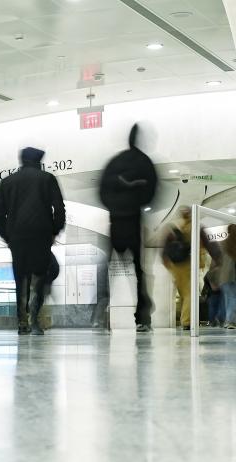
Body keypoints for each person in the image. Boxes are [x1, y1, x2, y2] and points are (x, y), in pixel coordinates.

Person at [0, 147, 66, 335]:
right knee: (40, 277)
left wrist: (7, 236)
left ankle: (22, 321)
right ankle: (35, 319)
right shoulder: (47, 178)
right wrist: (54, 231)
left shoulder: (7, 182)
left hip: (17, 237)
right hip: (41, 235)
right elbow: (59, 208)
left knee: (21, 279)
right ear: (38, 161)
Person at [98, 124, 158, 332]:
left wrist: (116, 204)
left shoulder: (116, 162)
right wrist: (135, 197)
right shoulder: (144, 162)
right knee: (139, 272)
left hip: (116, 221)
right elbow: (151, 191)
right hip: (132, 221)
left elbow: (103, 191)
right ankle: (143, 317)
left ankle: (103, 313)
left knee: (108, 270)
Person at [162, 206, 218, 331]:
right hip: (189, 264)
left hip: (176, 265)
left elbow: (166, 246)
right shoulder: (197, 227)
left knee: (183, 294)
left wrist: (166, 261)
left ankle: (185, 319)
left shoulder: (174, 226)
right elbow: (210, 245)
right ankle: (188, 321)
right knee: (190, 294)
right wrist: (217, 259)